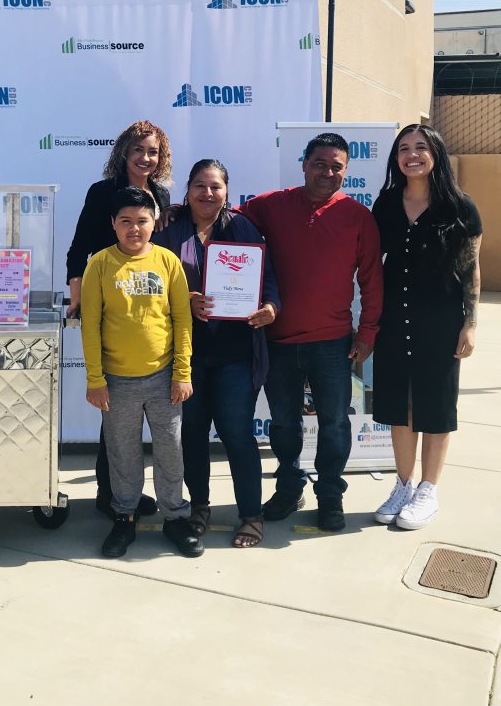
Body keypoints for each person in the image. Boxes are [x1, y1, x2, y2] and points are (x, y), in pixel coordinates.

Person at [235, 133, 383, 531]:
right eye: (320, 163)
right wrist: (177, 211)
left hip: (334, 345)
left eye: (337, 166)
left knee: (335, 422)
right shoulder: (272, 205)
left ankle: (331, 494)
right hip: (278, 342)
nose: (328, 172)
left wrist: (367, 332)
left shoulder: (358, 216)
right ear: (303, 164)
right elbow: (222, 215)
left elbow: (372, 279)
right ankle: (288, 488)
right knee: (284, 423)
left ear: (346, 172)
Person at [154, 160, 280, 548]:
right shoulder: (168, 229)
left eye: (215, 187)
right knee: (191, 434)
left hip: (236, 353)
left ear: (227, 191)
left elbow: (269, 280)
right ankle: (200, 507)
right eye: (199, 186)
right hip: (185, 354)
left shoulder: (242, 228)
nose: (207, 194)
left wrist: (271, 308)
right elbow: (151, 281)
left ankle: (251, 514)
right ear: (187, 190)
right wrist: (184, 299)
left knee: (237, 433)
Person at [80, 187, 203, 559]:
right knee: (122, 453)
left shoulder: (167, 262)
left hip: (164, 378)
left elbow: (182, 319)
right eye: (126, 222)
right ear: (113, 225)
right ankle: (124, 517)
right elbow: (91, 325)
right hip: (117, 382)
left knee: (171, 450)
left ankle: (175, 518)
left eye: (142, 221)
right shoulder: (99, 264)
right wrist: (95, 379)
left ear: (154, 222)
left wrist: (182, 372)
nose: (134, 229)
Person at [371, 125, 482, 529]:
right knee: (400, 406)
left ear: (436, 153)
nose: (412, 155)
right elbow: (368, 263)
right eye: (404, 148)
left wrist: (469, 324)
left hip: (441, 320)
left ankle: (428, 490)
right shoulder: (384, 204)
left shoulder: (460, 207)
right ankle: (404, 484)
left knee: (435, 404)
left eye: (421, 147)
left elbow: (471, 267)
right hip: (393, 318)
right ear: (395, 158)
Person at [66, 120, 171, 519]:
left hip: (145, 309)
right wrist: (77, 295)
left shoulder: (160, 195)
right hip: (108, 302)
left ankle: (122, 490)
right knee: (114, 407)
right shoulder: (103, 192)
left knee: (137, 414)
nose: (147, 158)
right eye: (140, 150)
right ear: (124, 152)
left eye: (154, 152)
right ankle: (109, 494)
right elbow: (80, 247)